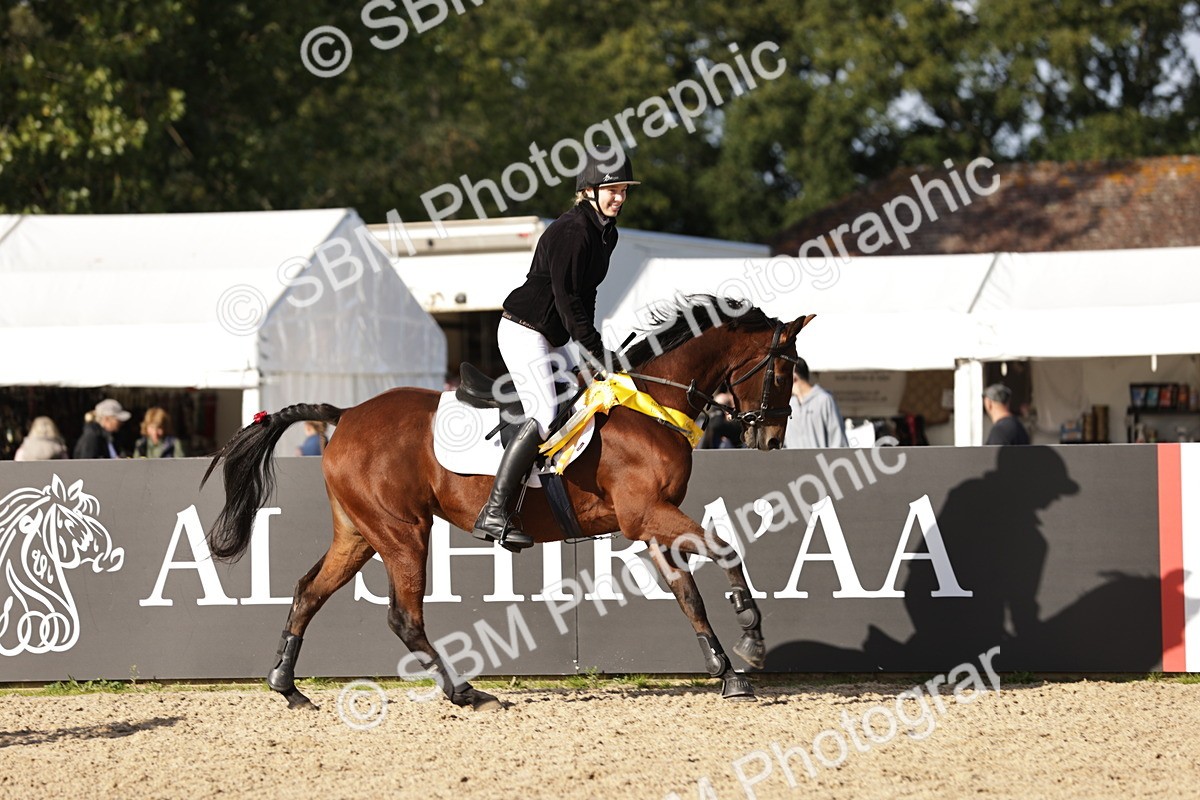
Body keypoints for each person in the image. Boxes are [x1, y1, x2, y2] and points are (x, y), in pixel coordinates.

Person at [472, 146, 638, 551]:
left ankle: (555, 499)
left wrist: (593, 355)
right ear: (588, 190)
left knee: (582, 401)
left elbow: (588, 295)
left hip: (554, 335)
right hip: (524, 329)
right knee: (545, 413)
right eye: (611, 189)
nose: (619, 197)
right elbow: (567, 301)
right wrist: (595, 350)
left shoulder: (605, 233)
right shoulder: (572, 231)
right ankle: (494, 510)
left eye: (623, 190)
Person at [784, 358, 848, 448]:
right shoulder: (789, 405)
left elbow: (838, 441)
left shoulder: (824, 400)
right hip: (794, 462)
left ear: (794, 377)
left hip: (823, 462)